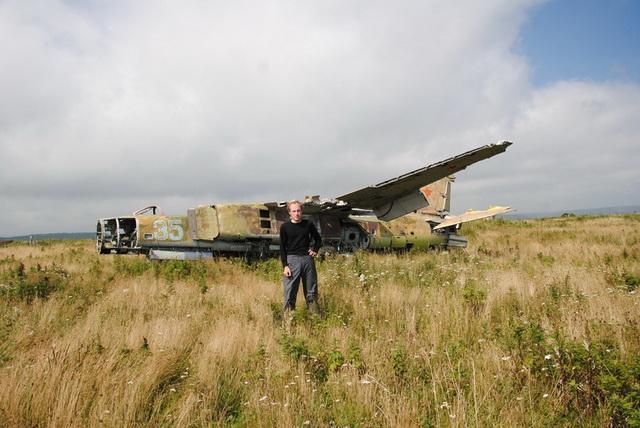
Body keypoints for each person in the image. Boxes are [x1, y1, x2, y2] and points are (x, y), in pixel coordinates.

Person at [279, 200, 322, 316]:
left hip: (307, 260)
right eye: (294, 211)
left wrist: (314, 250)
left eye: (298, 210)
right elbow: (282, 248)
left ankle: (315, 319)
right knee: (290, 293)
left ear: (301, 211)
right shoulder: (285, 227)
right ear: (289, 213)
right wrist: (285, 266)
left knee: (311, 293)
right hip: (292, 261)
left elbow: (318, 239)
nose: (296, 213)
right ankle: (289, 322)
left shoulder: (308, 224)